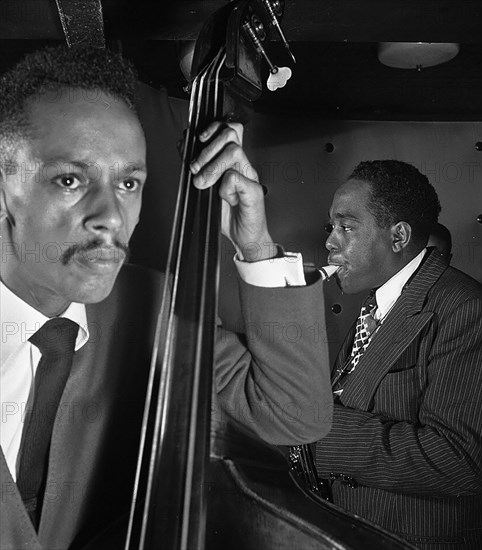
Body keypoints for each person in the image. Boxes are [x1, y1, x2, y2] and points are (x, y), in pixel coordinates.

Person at [0, 46, 331, 548]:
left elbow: (293, 414)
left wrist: (255, 244)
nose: (110, 217)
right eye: (70, 179)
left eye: (129, 182)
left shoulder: (153, 306)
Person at [315, 160, 482, 549]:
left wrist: (312, 429)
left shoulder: (469, 310)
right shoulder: (380, 303)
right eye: (332, 227)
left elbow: (461, 463)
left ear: (399, 236)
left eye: (347, 227)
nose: (330, 242)